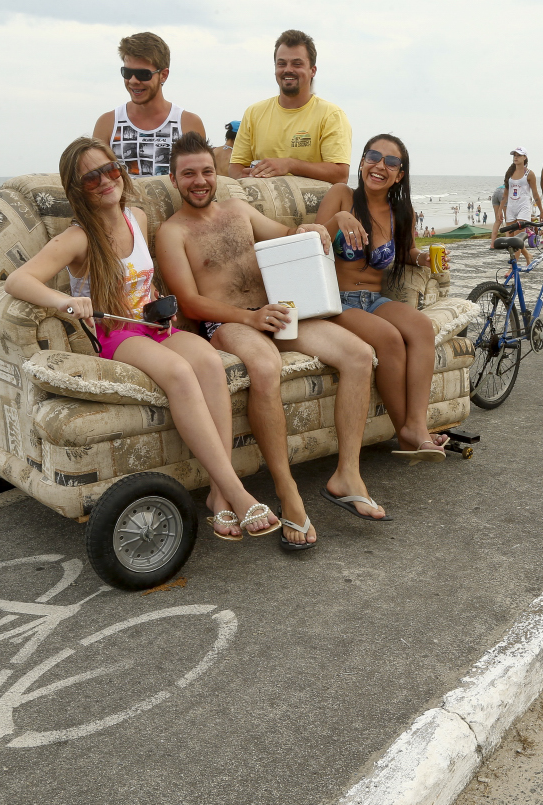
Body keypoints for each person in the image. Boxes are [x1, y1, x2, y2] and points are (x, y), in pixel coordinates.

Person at [4, 136, 277, 542]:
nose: (104, 180)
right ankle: (237, 491)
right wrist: (64, 300)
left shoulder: (137, 216)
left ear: (122, 170)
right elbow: (17, 280)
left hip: (153, 324)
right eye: (90, 177)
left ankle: (218, 496)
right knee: (181, 374)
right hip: (116, 333)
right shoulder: (79, 238)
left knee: (208, 363)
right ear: (77, 189)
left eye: (110, 169)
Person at [157, 131, 387, 549]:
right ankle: (288, 492)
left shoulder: (239, 209)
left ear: (218, 173)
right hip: (228, 323)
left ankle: (347, 474)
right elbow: (189, 303)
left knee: (358, 354)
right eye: (188, 174)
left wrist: (318, 226)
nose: (199, 180)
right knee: (265, 367)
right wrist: (249, 316)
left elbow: (285, 233)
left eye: (207, 171)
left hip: (275, 311)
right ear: (174, 179)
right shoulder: (172, 233)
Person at [317, 133, 449, 468]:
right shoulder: (341, 195)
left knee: (420, 327)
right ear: (362, 162)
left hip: (372, 298)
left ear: (400, 174)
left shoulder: (401, 212)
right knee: (390, 338)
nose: (380, 166)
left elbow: (405, 252)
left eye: (391, 162)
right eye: (373, 157)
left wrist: (424, 259)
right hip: (335, 302)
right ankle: (403, 431)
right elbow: (310, 240)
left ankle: (416, 425)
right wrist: (338, 220)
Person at [229, 30, 352, 184]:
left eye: (297, 63)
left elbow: (340, 175)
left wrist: (290, 165)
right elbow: (235, 167)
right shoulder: (253, 113)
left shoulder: (331, 115)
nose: (288, 69)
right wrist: (245, 175)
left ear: (312, 70)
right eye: (282, 63)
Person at [92, 32, 205, 178]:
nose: (133, 80)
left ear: (163, 75)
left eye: (143, 74)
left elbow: (200, 179)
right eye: (127, 72)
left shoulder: (188, 123)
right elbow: (96, 180)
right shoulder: (108, 124)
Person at [501, 148, 543, 265]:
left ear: (524, 157)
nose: (516, 157)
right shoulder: (510, 173)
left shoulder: (529, 174)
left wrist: (541, 211)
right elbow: (505, 194)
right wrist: (500, 211)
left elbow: (535, 193)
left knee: (517, 238)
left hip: (523, 207)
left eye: (519, 155)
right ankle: (528, 255)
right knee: (510, 239)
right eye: (514, 155)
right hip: (511, 207)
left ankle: (513, 267)